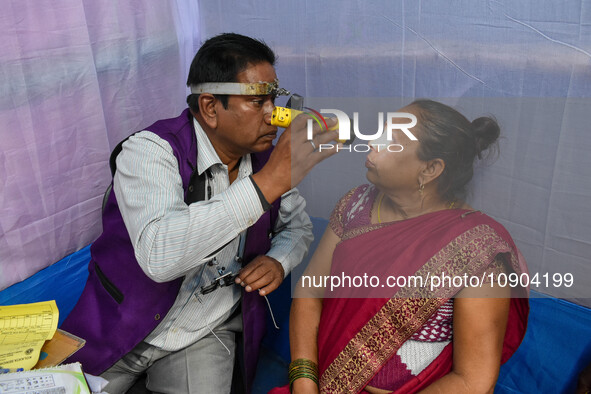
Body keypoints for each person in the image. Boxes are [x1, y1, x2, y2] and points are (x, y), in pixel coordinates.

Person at [60, 33, 339, 393]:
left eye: (275, 99)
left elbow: (297, 228)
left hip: (204, 329)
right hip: (122, 319)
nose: (275, 115)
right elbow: (160, 256)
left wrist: (278, 260)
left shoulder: (266, 159)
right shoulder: (150, 151)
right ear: (210, 107)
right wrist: (265, 184)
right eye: (258, 101)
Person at [274, 99, 529, 393]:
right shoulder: (356, 205)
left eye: (391, 140)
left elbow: (473, 381)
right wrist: (304, 382)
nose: (372, 142)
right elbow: (310, 291)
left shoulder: (476, 249)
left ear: (430, 169)